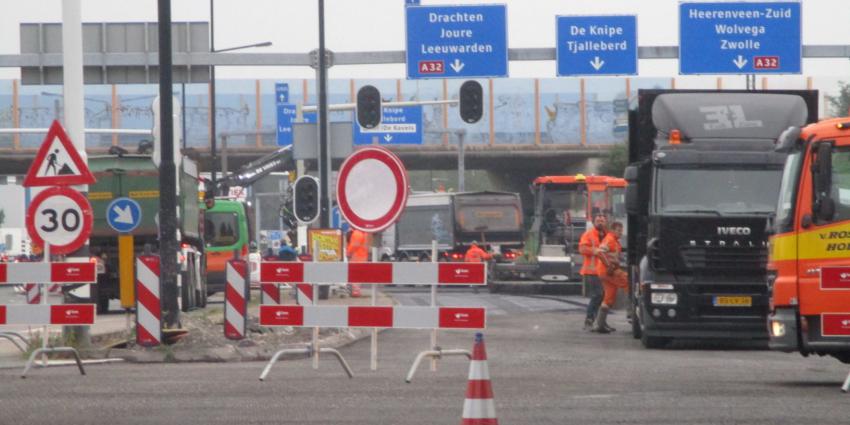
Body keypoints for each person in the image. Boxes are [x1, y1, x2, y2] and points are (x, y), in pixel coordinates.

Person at [592, 221, 629, 334]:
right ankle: (632, 310)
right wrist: (609, 266)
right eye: (618, 230)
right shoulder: (610, 240)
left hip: (605, 273)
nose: (621, 233)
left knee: (609, 298)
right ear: (612, 230)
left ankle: (599, 324)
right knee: (630, 283)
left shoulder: (614, 241)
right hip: (609, 272)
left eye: (621, 231)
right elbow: (599, 252)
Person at [579, 212, 608, 331]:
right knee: (598, 295)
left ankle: (599, 322)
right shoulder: (589, 234)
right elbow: (582, 248)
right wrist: (595, 250)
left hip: (604, 271)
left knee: (604, 297)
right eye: (598, 221)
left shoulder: (607, 235)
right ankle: (589, 319)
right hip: (592, 271)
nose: (600, 222)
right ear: (594, 222)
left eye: (602, 221)